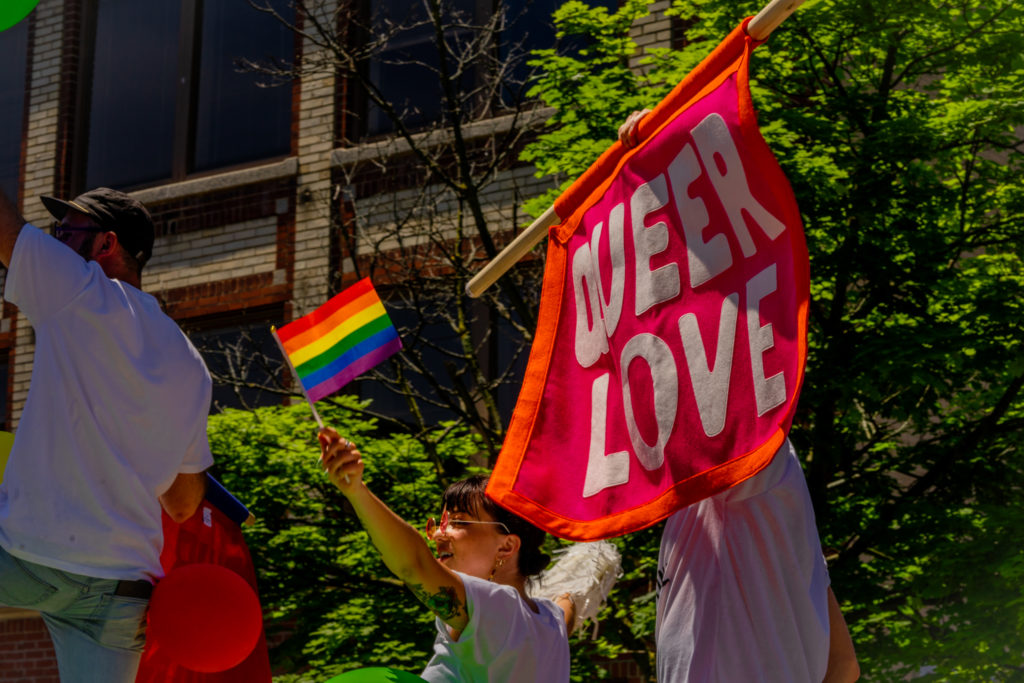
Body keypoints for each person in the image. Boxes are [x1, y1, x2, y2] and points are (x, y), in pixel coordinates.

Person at [616, 112, 859, 681]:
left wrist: (666, 175)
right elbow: (842, 668)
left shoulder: (747, 452)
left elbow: (707, 311)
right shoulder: (726, 495)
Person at [0, 187, 214, 682]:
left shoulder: (79, 291)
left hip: (30, 552)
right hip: (119, 587)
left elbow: (6, 229)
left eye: (64, 232)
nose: (53, 242)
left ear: (104, 245)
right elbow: (183, 503)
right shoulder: (192, 364)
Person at [318, 427, 573, 682]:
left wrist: (357, 491)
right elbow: (569, 604)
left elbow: (415, 564)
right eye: (441, 523)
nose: (438, 536)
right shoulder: (551, 620)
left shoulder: (498, 605)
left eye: (459, 522)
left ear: (506, 546)